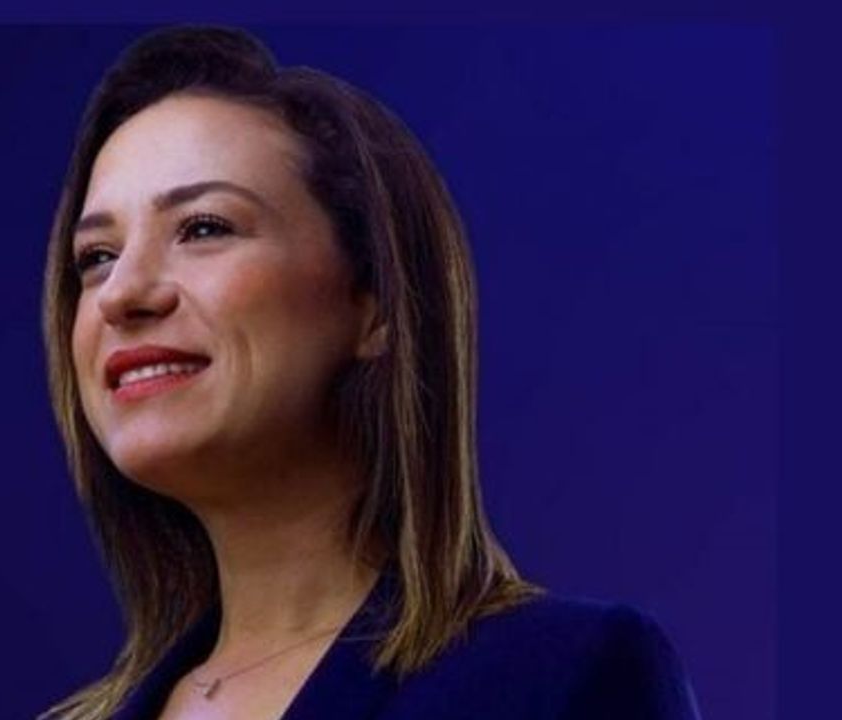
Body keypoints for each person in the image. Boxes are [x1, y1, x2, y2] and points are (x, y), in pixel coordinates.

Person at [37, 25, 702, 720]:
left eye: (204, 227)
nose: (121, 294)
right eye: (96, 257)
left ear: (376, 301)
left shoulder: (564, 676)